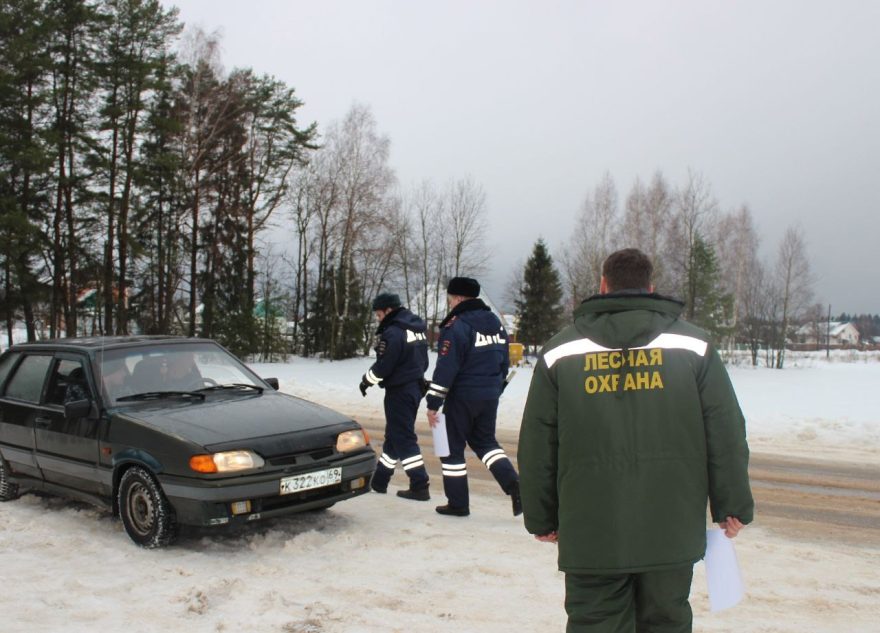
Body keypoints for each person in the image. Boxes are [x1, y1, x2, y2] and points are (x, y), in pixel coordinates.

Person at [518, 248, 754, 633]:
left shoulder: (560, 351)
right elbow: (725, 429)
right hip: (671, 527)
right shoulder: (695, 346)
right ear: (651, 287)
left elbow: (538, 442)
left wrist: (541, 515)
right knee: (665, 623)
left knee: (595, 623)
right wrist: (733, 503)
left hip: (592, 530)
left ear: (603, 286)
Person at [425, 276, 521, 517]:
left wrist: (433, 403)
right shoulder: (495, 322)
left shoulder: (457, 325)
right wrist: (495, 388)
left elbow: (446, 368)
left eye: (450, 299)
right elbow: (504, 361)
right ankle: (515, 485)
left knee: (450, 448)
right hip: (489, 395)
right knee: (486, 443)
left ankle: (458, 503)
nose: (449, 303)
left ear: (458, 298)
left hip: (463, 396)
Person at [359, 293, 431, 500]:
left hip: (400, 391)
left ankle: (419, 484)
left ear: (389, 310)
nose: (378, 318)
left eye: (379, 314)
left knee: (404, 437)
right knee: (394, 436)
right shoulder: (416, 328)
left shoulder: (393, 332)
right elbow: (424, 361)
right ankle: (380, 481)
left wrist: (366, 380)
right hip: (415, 387)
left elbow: (384, 366)